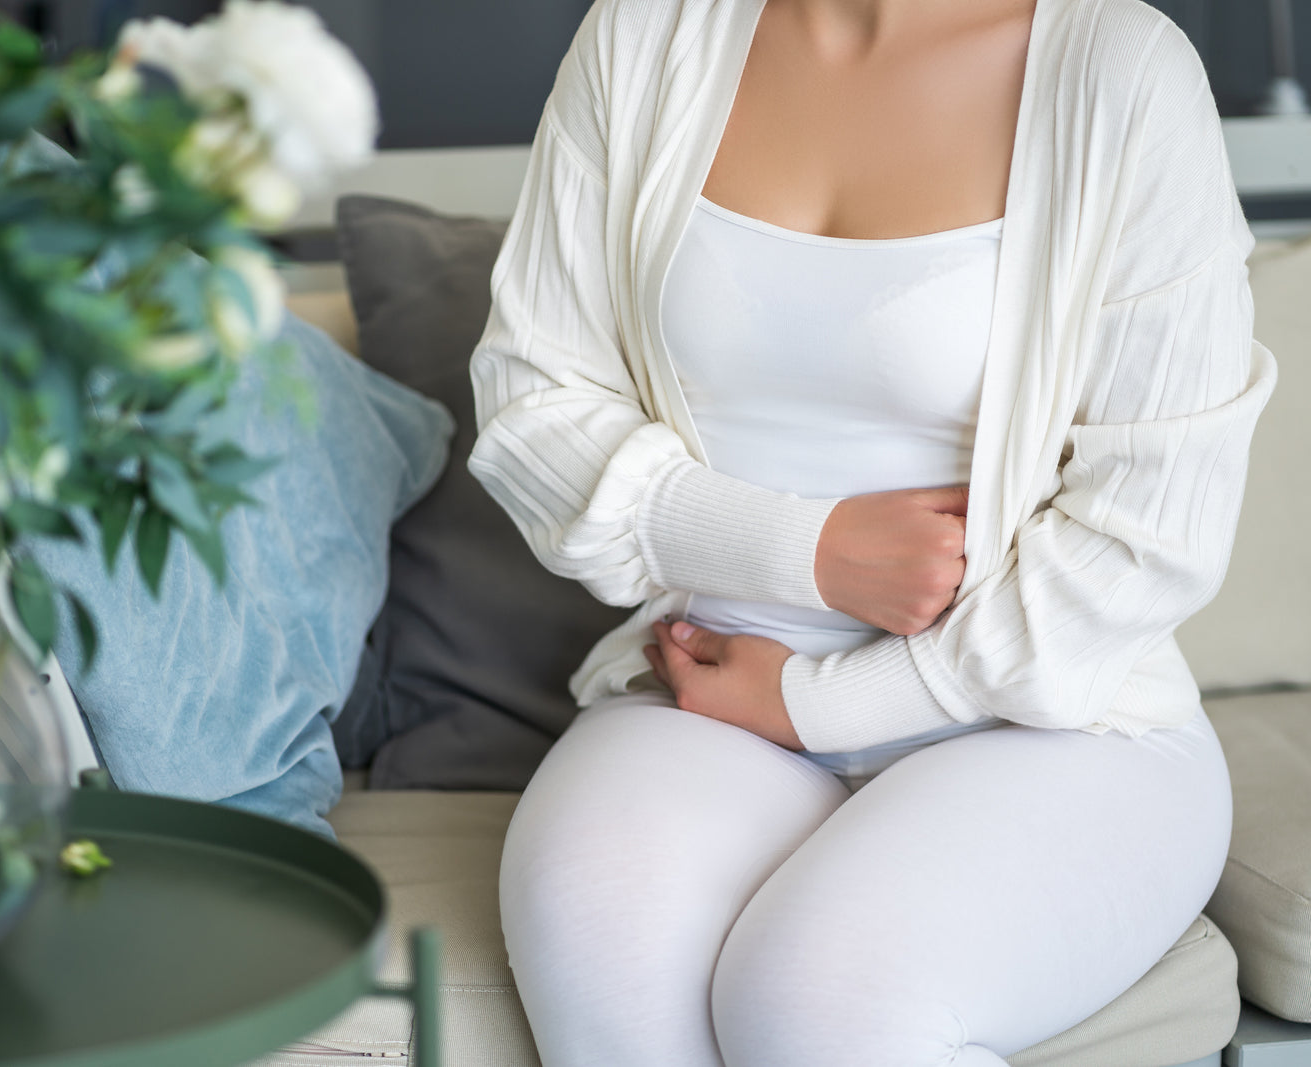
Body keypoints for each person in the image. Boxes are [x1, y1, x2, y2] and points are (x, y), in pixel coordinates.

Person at [464, 0, 1281, 1063]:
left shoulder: (1119, 66)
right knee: (600, 952)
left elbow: (1148, 530)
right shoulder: (643, 34)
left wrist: (819, 702)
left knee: (817, 1003)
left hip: (1052, 720)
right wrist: (800, 549)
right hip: (707, 678)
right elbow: (533, 406)